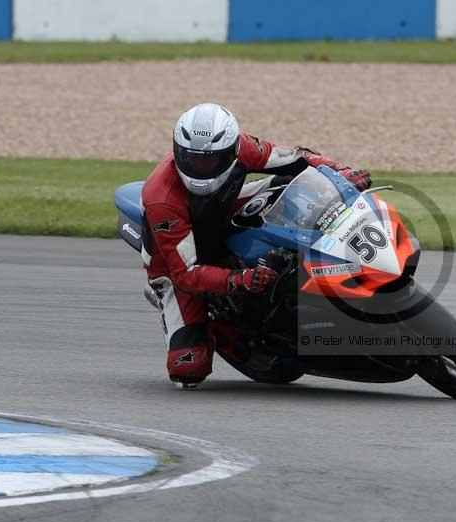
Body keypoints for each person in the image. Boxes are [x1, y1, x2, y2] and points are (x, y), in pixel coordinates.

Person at [141, 103, 371, 388]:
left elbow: (298, 157)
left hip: (223, 214)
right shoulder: (160, 198)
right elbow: (185, 274)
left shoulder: (246, 147)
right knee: (188, 368)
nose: (201, 168)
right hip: (178, 265)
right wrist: (243, 279)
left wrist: (342, 174)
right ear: (178, 152)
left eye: (211, 161)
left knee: (293, 182)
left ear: (232, 151)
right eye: (192, 159)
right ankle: (218, 324)